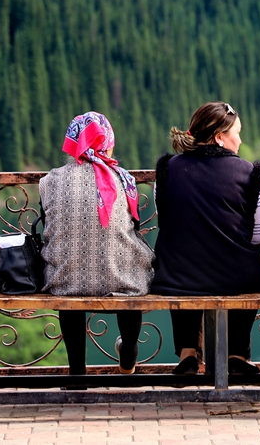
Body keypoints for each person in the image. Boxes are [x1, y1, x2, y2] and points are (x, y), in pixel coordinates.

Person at [150, 101, 260, 375]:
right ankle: (237, 355)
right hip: (235, 278)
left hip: (177, 277)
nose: (240, 139)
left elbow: (166, 221)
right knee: (248, 271)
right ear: (219, 137)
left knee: (182, 264)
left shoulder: (167, 169)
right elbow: (257, 236)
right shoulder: (249, 173)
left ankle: (187, 354)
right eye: (237, 132)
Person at [38, 111, 155, 376]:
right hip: (120, 278)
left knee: (70, 277)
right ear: (108, 142)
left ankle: (77, 373)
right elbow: (134, 226)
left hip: (64, 279)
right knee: (129, 268)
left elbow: (49, 225)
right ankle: (128, 356)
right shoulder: (124, 179)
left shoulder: (50, 180)